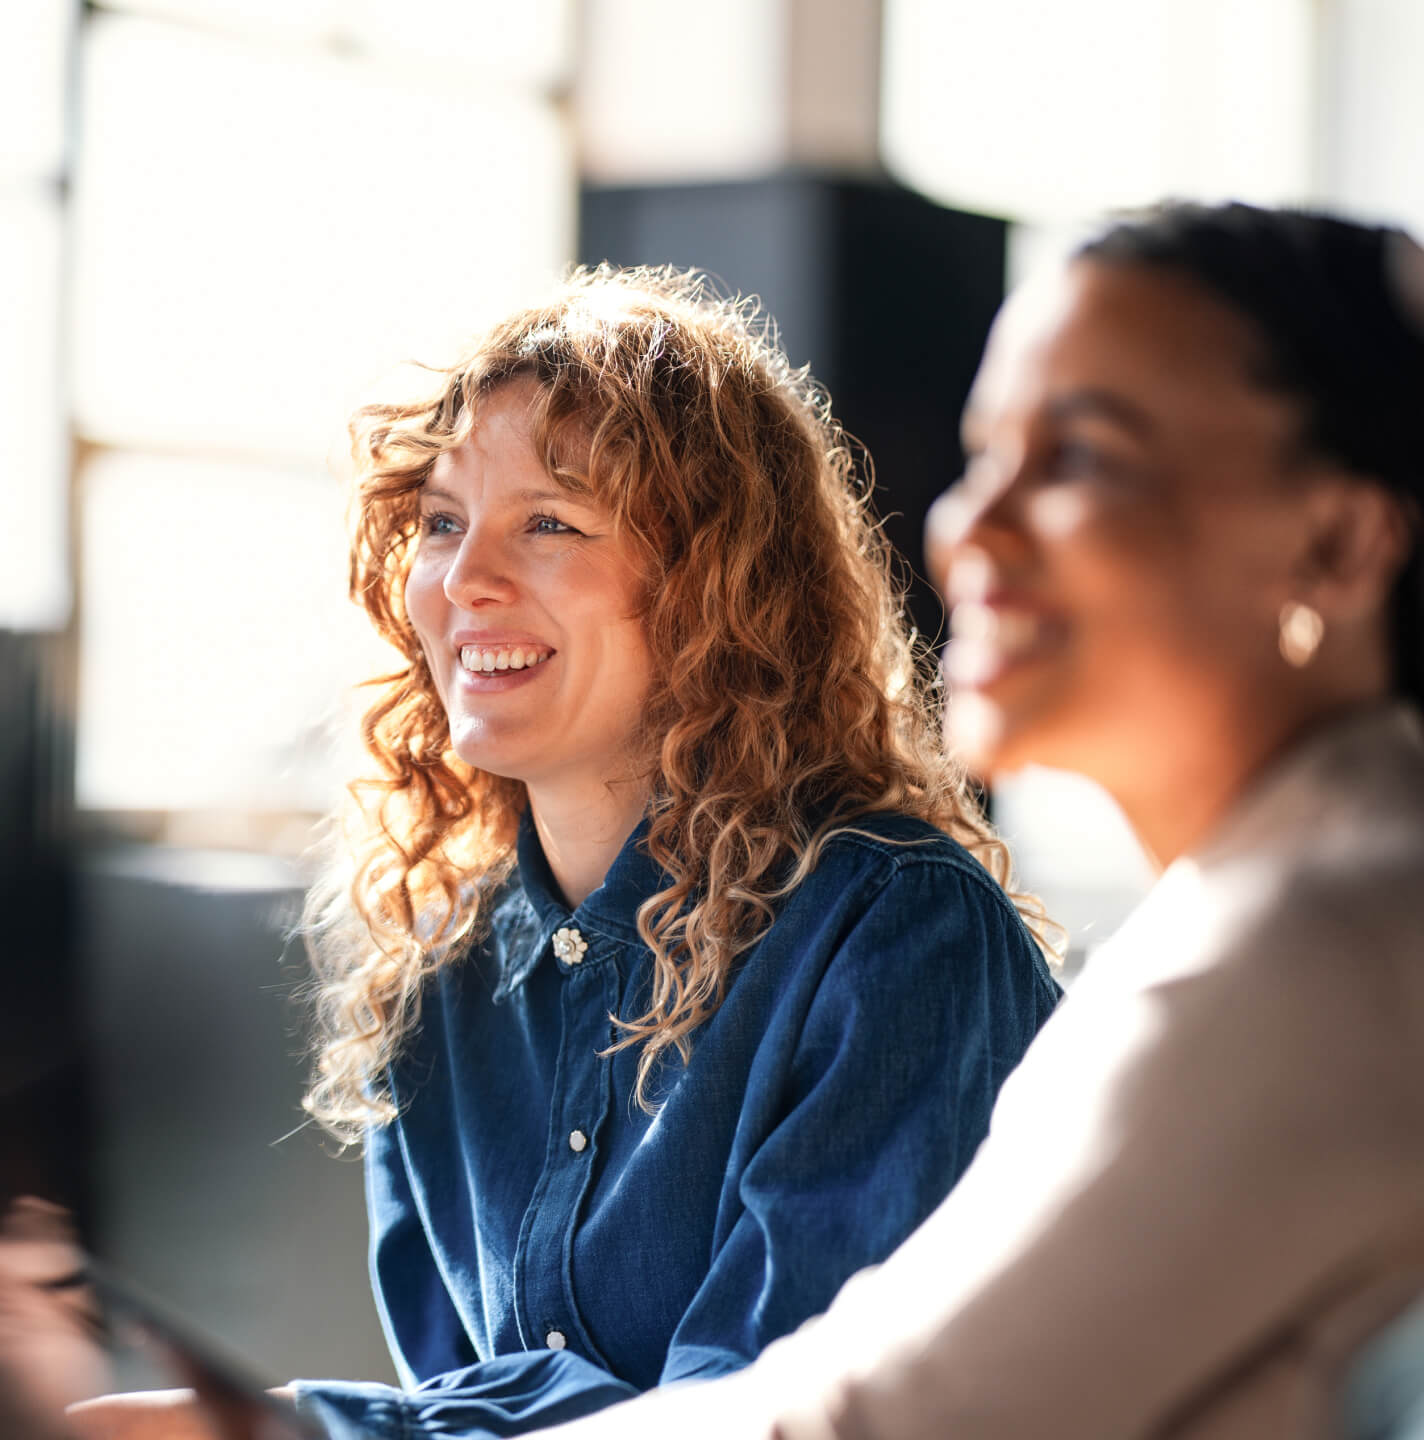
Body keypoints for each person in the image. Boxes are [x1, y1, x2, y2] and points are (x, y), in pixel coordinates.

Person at [65, 267, 1059, 1440]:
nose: (467, 579)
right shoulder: (440, 976)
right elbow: (471, 1405)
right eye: (441, 523)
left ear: (714, 591)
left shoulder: (896, 933)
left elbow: (769, 1418)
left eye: (550, 522)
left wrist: (277, 1430)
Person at [505, 202, 1424, 1439]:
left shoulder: (1313, 946)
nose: (968, 530)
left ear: (1338, 541)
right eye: (986, 455)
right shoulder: (1294, 897)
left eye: (1082, 459)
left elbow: (872, 1421)